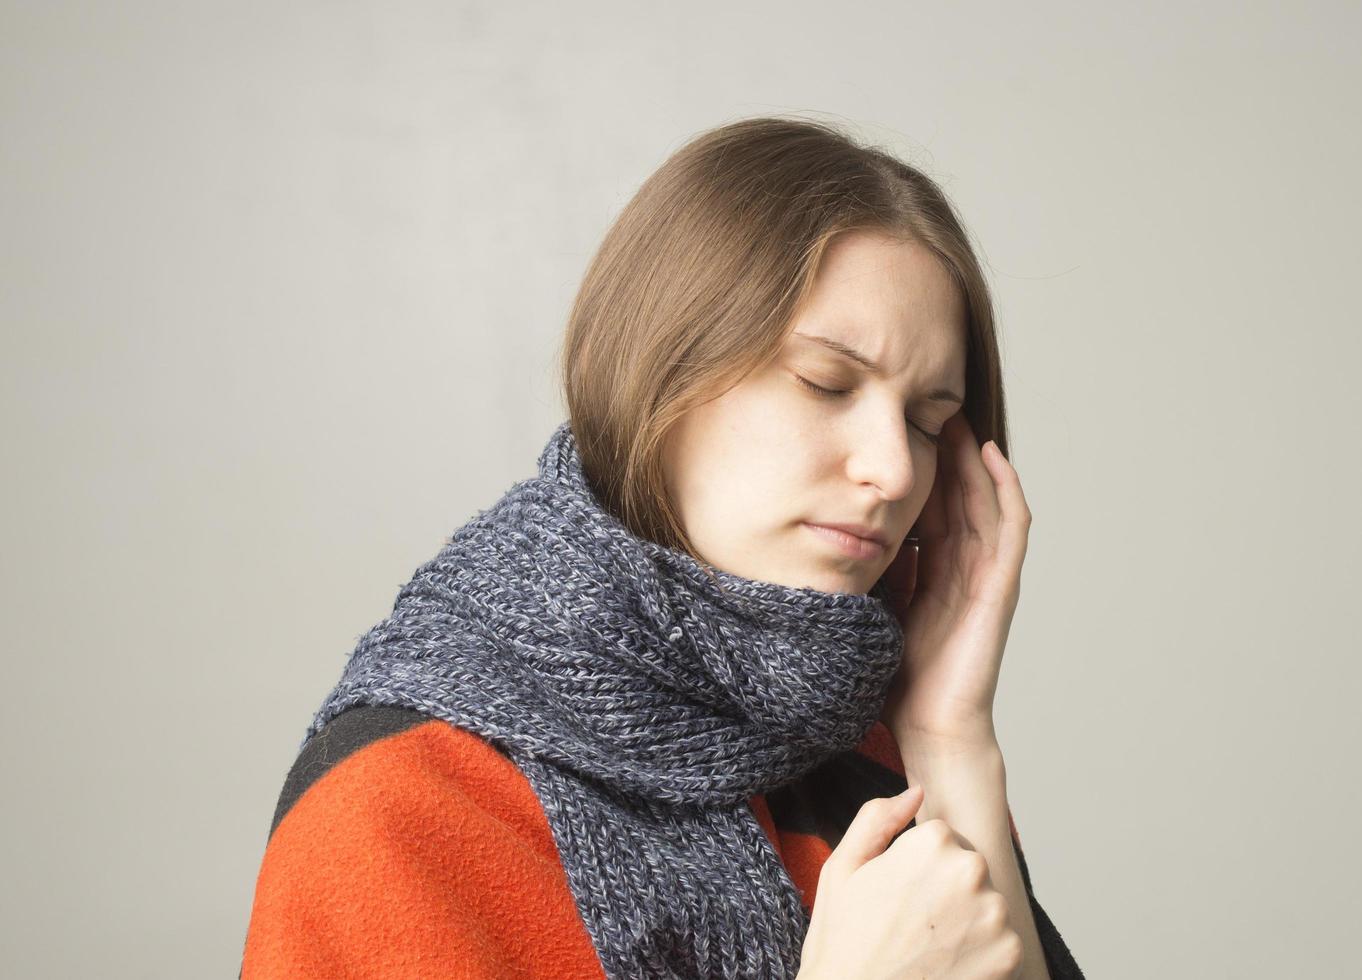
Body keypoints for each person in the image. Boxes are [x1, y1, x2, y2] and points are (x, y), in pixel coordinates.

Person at [240, 115, 1085, 980]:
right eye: (826, 383)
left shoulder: (884, 752)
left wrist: (950, 735)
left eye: (926, 421)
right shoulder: (400, 802)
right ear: (662, 369)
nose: (895, 470)